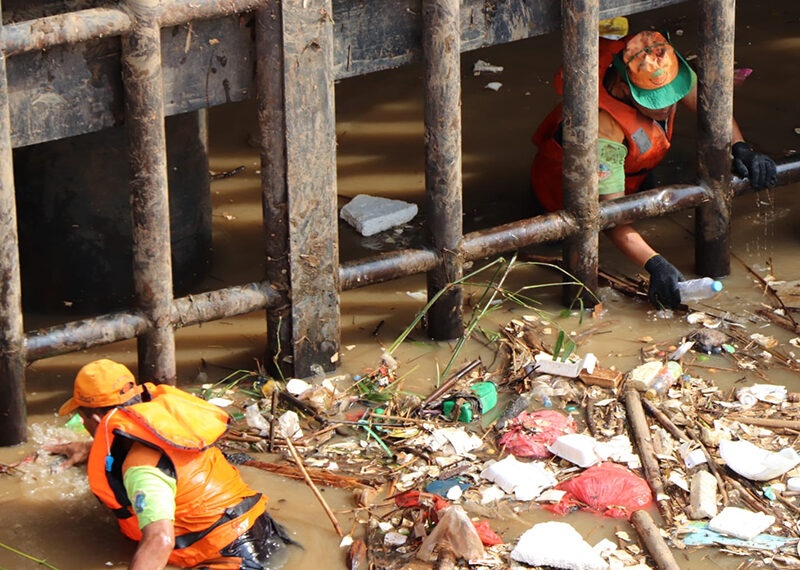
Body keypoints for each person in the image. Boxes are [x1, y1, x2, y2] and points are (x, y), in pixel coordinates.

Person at [530, 30, 777, 309]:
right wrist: (655, 264)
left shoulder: (661, 64)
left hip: (637, 170)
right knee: (564, 244)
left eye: (671, 95)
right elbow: (610, 217)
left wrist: (741, 148)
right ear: (624, 88)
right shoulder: (603, 131)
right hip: (561, 189)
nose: (670, 106)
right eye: (656, 101)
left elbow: (714, 111)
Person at [46, 359, 290, 570]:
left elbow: (160, 541)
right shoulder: (168, 426)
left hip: (233, 559)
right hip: (266, 531)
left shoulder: (141, 471)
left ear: (97, 420)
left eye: (82, 419)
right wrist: (90, 449)